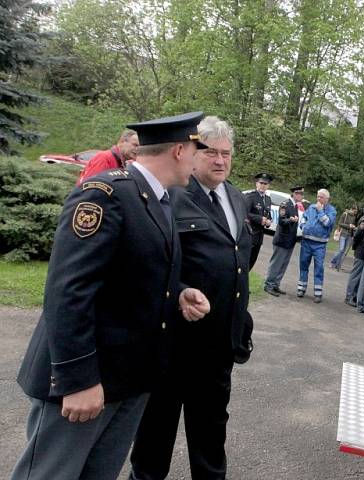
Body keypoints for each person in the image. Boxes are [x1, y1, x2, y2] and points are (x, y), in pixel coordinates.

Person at [11, 112, 211, 480]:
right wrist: (78, 380)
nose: (201, 160)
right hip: (87, 382)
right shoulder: (106, 195)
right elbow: (68, 291)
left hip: (129, 380)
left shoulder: (160, 199)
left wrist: (180, 293)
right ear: (181, 151)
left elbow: (134, 270)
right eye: (199, 150)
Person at [129, 116, 253, 480]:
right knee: (155, 432)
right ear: (194, 153)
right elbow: (154, 263)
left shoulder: (234, 197)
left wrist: (241, 325)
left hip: (218, 346)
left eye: (226, 154)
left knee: (211, 433)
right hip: (174, 344)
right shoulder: (172, 195)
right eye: (211, 152)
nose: (220, 161)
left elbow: (239, 262)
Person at [297, 188, 336, 303]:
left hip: (320, 244)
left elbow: (327, 223)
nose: (318, 199)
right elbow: (304, 217)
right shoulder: (311, 207)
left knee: (319, 268)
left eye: (321, 197)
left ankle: (318, 293)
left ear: (327, 199)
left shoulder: (331, 210)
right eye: (318, 196)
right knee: (303, 265)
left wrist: (320, 211)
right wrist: (303, 226)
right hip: (306, 241)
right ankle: (301, 288)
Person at [263, 185, 304, 296]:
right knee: (276, 263)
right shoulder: (285, 204)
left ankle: (276, 284)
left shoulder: (295, 205)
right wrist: (290, 220)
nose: (302, 196)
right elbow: (282, 221)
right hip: (282, 239)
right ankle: (269, 285)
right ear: (295, 194)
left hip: (290, 240)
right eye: (300, 194)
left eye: (302, 194)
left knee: (283, 264)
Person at [244, 172, 273, 270]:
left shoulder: (268, 199)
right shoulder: (251, 196)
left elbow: (268, 215)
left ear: (268, 185)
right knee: (244, 263)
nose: (263, 186)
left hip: (259, 237)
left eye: (265, 184)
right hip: (249, 234)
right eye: (261, 183)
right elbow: (245, 213)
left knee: (252, 262)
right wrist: (260, 219)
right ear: (257, 183)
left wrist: (269, 221)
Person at [329, 205, 357, 271]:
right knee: (341, 249)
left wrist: (353, 227)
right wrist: (348, 226)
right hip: (343, 234)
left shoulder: (354, 216)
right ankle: (332, 262)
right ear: (351, 209)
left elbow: (351, 226)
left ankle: (338, 265)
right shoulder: (345, 214)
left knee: (343, 251)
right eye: (354, 211)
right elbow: (340, 223)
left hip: (349, 235)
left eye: (356, 211)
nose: (355, 212)